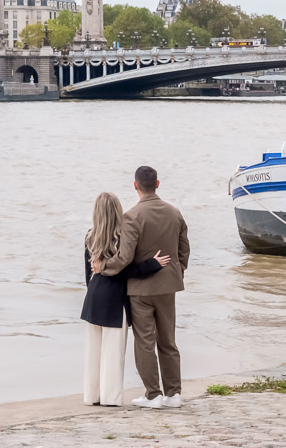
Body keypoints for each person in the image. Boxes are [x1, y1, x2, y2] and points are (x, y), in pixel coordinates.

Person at [95, 166, 190, 409]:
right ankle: (174, 394)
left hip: (140, 290)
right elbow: (184, 249)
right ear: (157, 184)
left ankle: (153, 395)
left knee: (145, 342)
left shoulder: (132, 216)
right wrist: (177, 272)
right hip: (168, 286)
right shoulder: (174, 212)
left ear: (135, 186)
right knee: (168, 341)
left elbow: (124, 258)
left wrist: (103, 266)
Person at [81, 192, 170, 407]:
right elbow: (125, 270)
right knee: (113, 351)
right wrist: (153, 264)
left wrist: (94, 291)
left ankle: (91, 396)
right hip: (115, 300)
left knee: (94, 352)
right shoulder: (122, 237)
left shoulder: (90, 236)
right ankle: (110, 398)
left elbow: (87, 274)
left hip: (93, 296)